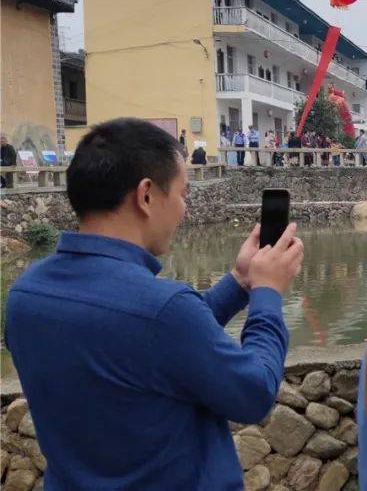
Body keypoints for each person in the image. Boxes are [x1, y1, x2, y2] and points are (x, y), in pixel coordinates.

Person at [3, 118, 304, 488]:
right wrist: (267, 294)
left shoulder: (26, 294)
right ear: (146, 195)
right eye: (182, 194)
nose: (185, 210)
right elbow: (254, 393)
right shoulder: (163, 311)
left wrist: (240, 282)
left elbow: (145, 343)